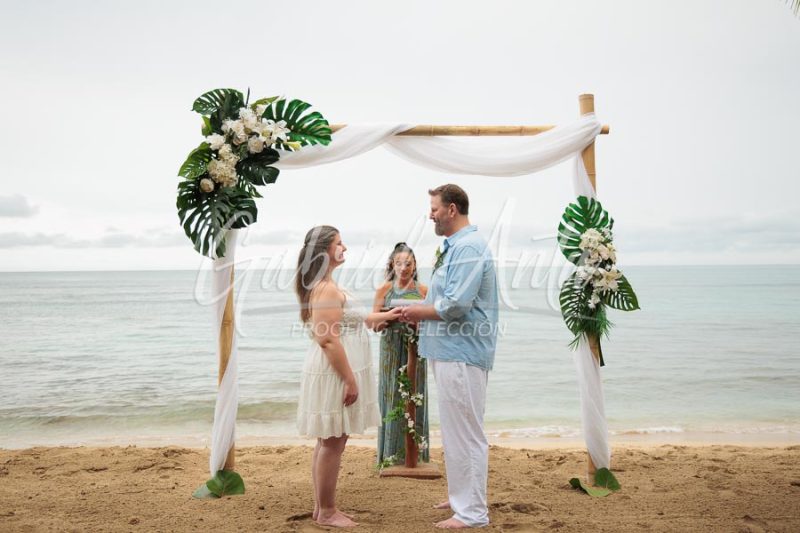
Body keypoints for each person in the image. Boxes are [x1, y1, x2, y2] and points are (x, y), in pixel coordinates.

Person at [400, 184, 499, 529]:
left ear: (452, 209)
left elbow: (456, 305)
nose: (430, 214)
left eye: (434, 208)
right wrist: (418, 311)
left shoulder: (469, 247)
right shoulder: (455, 246)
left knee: (467, 433)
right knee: (456, 432)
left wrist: (417, 312)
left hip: (462, 352)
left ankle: (473, 513)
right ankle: (462, 498)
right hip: (449, 351)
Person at [295, 225, 402, 528]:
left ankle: (321, 508)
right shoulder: (325, 287)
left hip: (337, 369)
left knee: (329, 440)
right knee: (332, 442)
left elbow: (361, 319)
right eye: (340, 244)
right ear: (325, 250)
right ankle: (327, 511)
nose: (345, 248)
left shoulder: (328, 283)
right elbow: (327, 339)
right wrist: (349, 380)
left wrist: (390, 315)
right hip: (335, 372)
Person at [372, 242, 430, 466]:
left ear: (414, 265)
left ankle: (415, 455)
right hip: (391, 349)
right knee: (391, 396)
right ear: (392, 265)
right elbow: (374, 325)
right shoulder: (384, 290)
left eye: (408, 263)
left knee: (415, 396)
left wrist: (417, 323)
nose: (404, 267)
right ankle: (389, 455)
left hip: (415, 349)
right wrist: (389, 317)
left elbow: (431, 323)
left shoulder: (423, 290)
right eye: (399, 263)